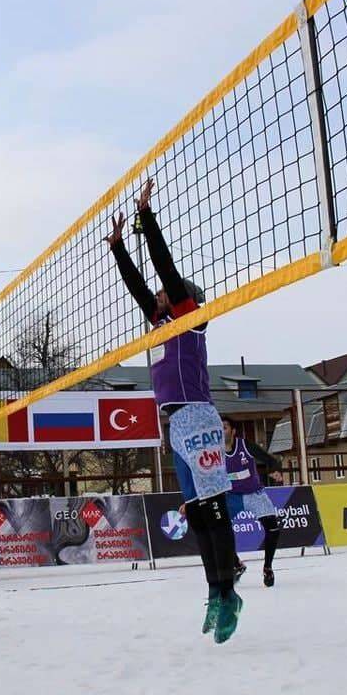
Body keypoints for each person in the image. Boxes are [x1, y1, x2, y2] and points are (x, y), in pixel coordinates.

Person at [107, 177, 240, 644]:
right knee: (198, 513)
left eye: (166, 292)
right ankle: (214, 591)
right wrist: (119, 248)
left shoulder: (189, 317)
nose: (158, 296)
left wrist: (146, 218)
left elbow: (163, 268)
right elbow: (139, 287)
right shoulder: (162, 322)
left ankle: (229, 592)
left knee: (213, 509)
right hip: (175, 423)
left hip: (198, 416)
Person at [221, 417, 285, 588]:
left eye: (224, 427)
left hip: (254, 494)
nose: (221, 431)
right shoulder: (215, 452)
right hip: (231, 496)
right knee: (216, 530)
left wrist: (274, 470)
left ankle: (268, 568)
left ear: (233, 431)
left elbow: (270, 459)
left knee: (273, 529)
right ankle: (236, 564)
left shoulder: (245, 446)